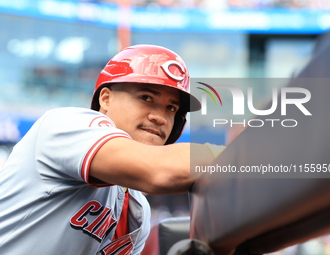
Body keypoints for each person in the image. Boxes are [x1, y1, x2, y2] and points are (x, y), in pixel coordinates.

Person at [0, 45, 224, 255]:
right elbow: (159, 171)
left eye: (171, 108)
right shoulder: (66, 124)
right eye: (146, 97)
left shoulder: (138, 211)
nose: (160, 118)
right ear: (105, 98)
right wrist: (244, 155)